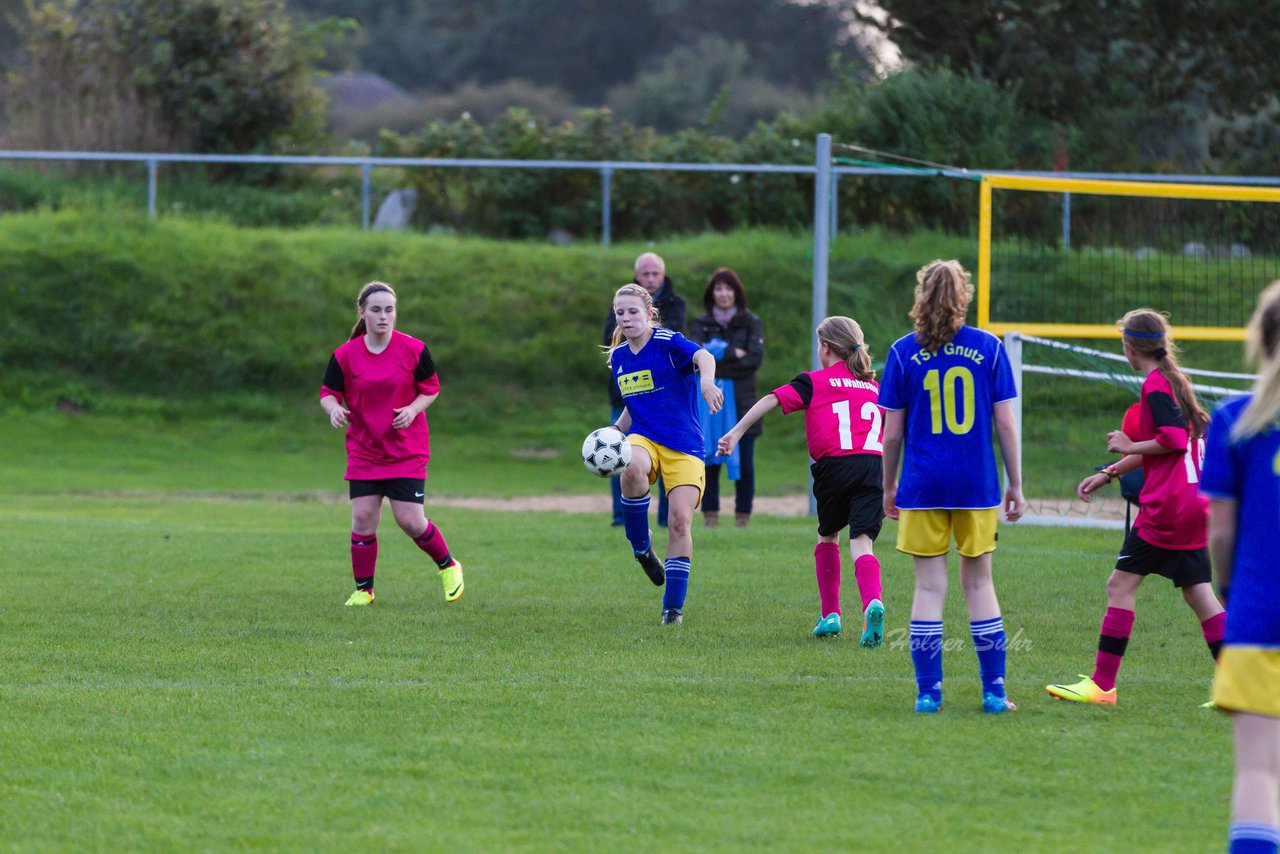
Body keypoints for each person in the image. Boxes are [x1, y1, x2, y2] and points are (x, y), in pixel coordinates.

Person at [1046, 308, 1224, 706]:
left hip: (1168, 507)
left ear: (1130, 347)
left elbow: (1173, 440)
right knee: (1199, 594)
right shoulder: (1175, 382)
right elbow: (1163, 446)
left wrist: (1127, 444)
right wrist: (1108, 473)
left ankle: (1102, 686)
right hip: (1194, 503)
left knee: (1120, 585)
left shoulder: (1156, 386)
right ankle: (1240, 685)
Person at [879, 259, 1025, 715]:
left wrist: (889, 486)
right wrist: (1015, 482)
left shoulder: (903, 352)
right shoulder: (990, 348)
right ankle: (994, 692)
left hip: (923, 485)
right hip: (976, 482)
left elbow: (892, 434)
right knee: (979, 583)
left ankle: (928, 693)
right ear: (964, 296)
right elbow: (1005, 424)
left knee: (928, 588)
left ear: (921, 297)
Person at [719, 316, 885, 646]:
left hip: (834, 466)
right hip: (872, 465)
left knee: (828, 536)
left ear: (825, 348)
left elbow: (771, 399)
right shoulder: (873, 387)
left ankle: (831, 615)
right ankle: (872, 602)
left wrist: (736, 432)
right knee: (862, 542)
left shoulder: (815, 381)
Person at [319, 281, 464, 606]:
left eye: (389, 310)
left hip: (405, 449)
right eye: (376, 310)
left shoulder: (413, 349)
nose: (383, 316)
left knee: (410, 520)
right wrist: (334, 410)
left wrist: (413, 410)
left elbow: (431, 387)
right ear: (363, 313)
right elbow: (328, 393)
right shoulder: (345, 355)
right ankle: (364, 590)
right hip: (364, 449)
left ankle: (449, 566)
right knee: (363, 518)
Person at [1200, 282, 1280, 854]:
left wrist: (1231, 590)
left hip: (1258, 616)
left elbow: (1221, 531)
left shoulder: (1233, 421)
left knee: (1258, 772)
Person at [605, 282, 722, 625]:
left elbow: (704, 356)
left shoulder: (667, 342)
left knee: (680, 521)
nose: (626, 318)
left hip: (685, 444)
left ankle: (672, 609)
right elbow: (635, 403)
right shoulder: (619, 358)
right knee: (630, 468)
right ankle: (642, 547)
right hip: (644, 438)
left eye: (632, 312)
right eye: (620, 313)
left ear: (649, 313)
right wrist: (616, 431)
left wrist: (706, 381)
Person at [603, 252, 686, 527]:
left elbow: (674, 346)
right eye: (645, 274)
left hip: (663, 400)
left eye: (655, 274)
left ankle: (665, 517)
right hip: (627, 396)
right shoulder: (619, 307)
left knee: (664, 457)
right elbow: (612, 344)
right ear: (637, 275)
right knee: (618, 456)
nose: (650, 279)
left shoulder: (675, 305)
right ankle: (622, 516)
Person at [690, 268, 765, 528]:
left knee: (745, 463)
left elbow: (754, 360)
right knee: (709, 459)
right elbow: (696, 360)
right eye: (718, 289)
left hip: (744, 403)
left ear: (737, 292)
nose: (723, 294)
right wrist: (736, 354)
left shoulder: (751, 322)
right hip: (708, 403)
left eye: (728, 288)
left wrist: (721, 354)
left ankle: (742, 518)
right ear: (711, 294)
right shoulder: (700, 323)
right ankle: (710, 516)